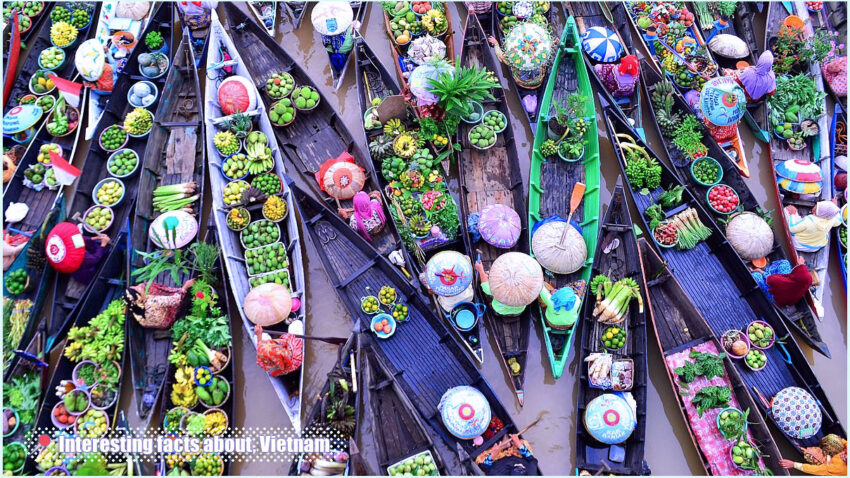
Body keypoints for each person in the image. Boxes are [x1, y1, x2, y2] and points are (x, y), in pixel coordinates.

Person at [779, 434, 847, 476]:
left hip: (825, 464)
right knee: (831, 439)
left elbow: (816, 469)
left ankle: (800, 446)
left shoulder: (839, 468)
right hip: (829, 455)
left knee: (810, 454)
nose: (844, 455)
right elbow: (843, 442)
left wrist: (794, 464)